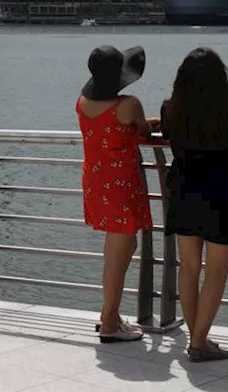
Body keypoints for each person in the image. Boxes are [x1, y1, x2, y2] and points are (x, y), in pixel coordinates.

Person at [160, 48, 228, 362]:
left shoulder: (170, 109)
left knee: (189, 269)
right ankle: (199, 341)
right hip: (220, 194)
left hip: (184, 192)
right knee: (215, 273)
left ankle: (197, 338)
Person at [75, 45, 155, 343]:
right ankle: (109, 322)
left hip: (96, 182)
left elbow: (108, 130)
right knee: (119, 255)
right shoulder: (130, 104)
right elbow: (143, 130)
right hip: (121, 186)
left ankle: (110, 313)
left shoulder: (82, 102)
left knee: (117, 251)